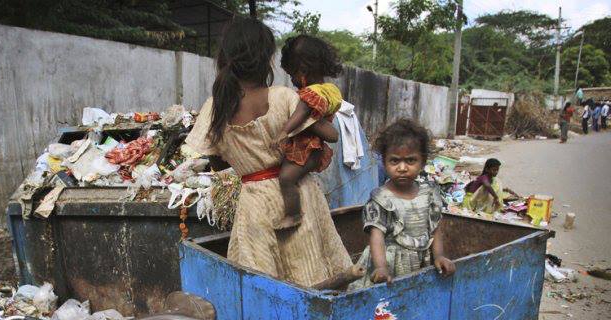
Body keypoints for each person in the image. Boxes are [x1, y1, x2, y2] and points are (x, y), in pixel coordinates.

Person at [184, 18, 362, 290]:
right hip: (300, 200)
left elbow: (217, 162)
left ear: (225, 58)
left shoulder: (215, 107)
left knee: (261, 286)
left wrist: (246, 154)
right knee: (313, 280)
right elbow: (328, 134)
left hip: (255, 204)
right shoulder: (285, 97)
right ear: (267, 59)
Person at [348, 119, 455, 289]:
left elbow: (435, 229)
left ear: (423, 161)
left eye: (411, 161)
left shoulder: (429, 193)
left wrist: (440, 256)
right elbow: (377, 237)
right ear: (384, 162)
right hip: (390, 263)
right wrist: (381, 268)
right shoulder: (381, 199)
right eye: (395, 161)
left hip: (420, 261)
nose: (402, 168)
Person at [271, 35, 343, 230]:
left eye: (292, 75)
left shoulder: (309, 94)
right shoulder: (328, 90)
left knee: (286, 178)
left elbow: (301, 115)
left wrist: (283, 132)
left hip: (308, 147)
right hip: (314, 147)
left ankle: (293, 215)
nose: (292, 81)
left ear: (302, 71)